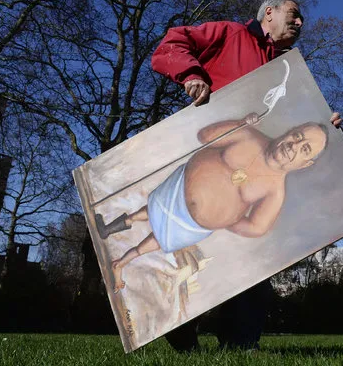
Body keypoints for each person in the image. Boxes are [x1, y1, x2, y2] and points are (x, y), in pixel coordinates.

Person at [149, 0, 342, 352]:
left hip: (239, 198)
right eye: (294, 15)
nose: (300, 24)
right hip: (200, 168)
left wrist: (326, 127)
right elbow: (172, 43)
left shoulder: (288, 71)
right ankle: (182, 337)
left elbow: (307, 130)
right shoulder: (229, 34)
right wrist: (191, 73)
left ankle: (239, 347)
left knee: (253, 273)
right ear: (269, 12)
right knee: (187, 267)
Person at [95, 116, 330, 293]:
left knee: (154, 241)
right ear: (290, 131)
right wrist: (239, 124)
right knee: (145, 213)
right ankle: (107, 230)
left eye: (304, 149)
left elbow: (257, 227)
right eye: (298, 136)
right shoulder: (249, 135)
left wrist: (226, 218)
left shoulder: (275, 191)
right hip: (176, 189)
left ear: (305, 164)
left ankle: (120, 264)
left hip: (191, 225)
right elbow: (205, 136)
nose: (294, 146)